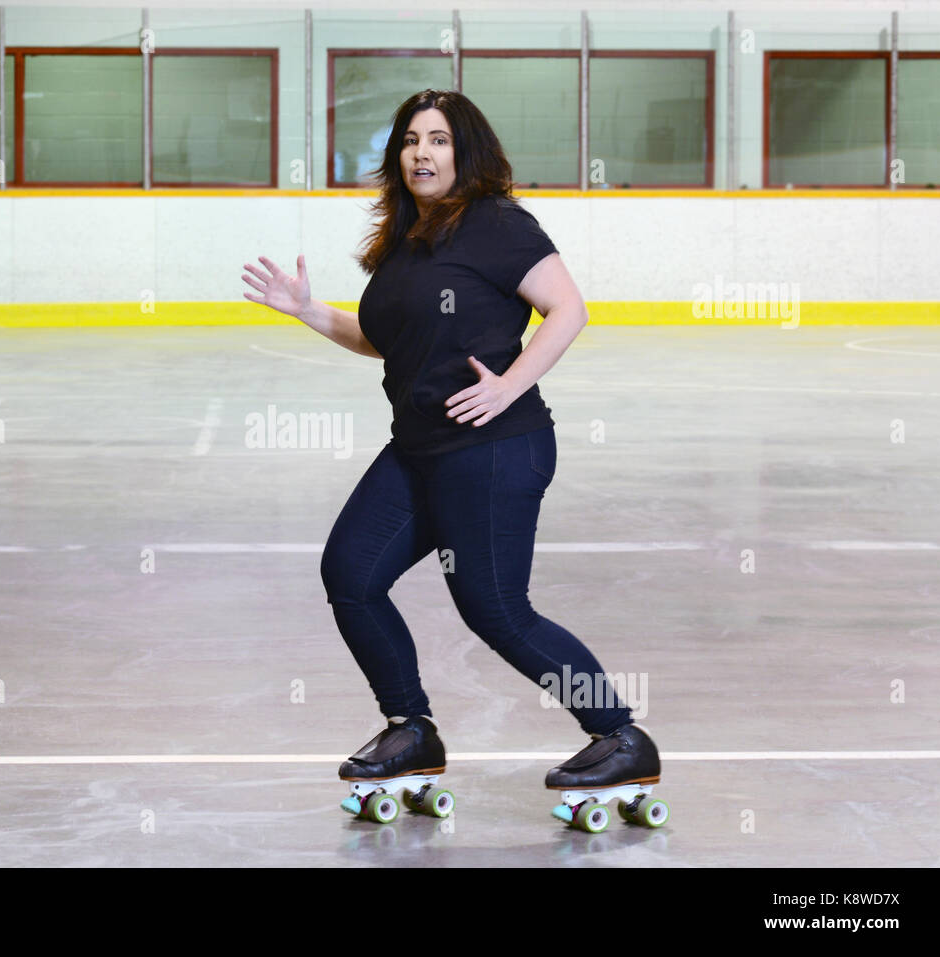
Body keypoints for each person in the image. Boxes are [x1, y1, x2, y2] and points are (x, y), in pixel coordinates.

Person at [241, 89, 659, 812]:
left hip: (496, 448)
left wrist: (509, 386)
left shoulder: (499, 225)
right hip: (420, 449)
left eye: (437, 139)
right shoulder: (406, 239)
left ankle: (620, 735)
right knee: (352, 572)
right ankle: (412, 729)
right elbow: (386, 339)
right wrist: (311, 310)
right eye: (409, 140)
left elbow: (570, 308)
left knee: (495, 608)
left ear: (466, 151)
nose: (421, 153)